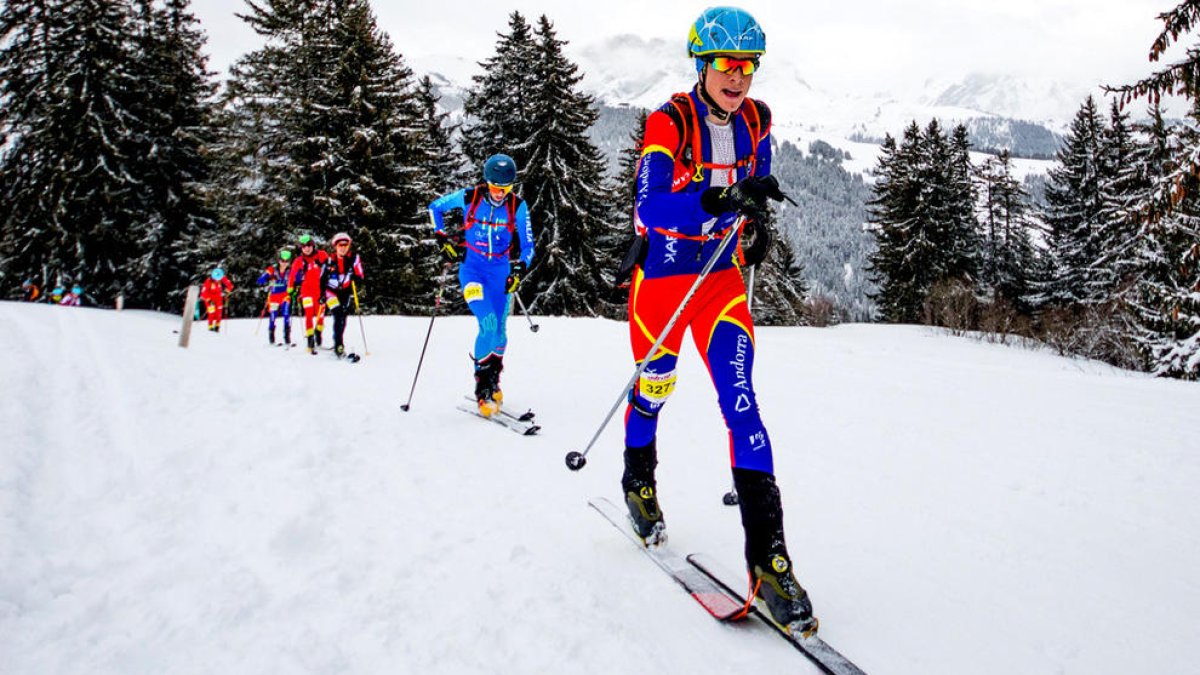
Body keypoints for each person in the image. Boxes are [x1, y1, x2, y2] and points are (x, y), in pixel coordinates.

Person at [619, 7, 815, 636]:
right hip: (664, 288)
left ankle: (770, 562)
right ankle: (638, 480)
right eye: (726, 64)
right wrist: (713, 199)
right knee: (655, 390)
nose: (737, 77)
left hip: (720, 284)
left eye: (747, 65)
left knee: (743, 402)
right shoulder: (669, 121)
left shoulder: (757, 120)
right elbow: (651, 203)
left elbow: (750, 186)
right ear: (701, 64)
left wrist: (754, 223)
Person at [428, 153, 535, 417]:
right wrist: (442, 239)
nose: (500, 194)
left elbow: (529, 246)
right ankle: (482, 388)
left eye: (506, 189)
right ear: (487, 182)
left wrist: (520, 269)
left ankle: (494, 380)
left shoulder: (517, 207)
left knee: (499, 331)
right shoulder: (470, 197)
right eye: (496, 188)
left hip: (500, 273)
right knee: (486, 322)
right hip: (472, 271)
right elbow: (434, 208)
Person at [321, 232, 365, 357]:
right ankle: (339, 345)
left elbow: (360, 274)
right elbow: (322, 279)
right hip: (331, 292)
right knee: (338, 313)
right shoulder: (329, 261)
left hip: (345, 292)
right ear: (335, 246)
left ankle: (337, 338)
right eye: (340, 245)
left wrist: (358, 277)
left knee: (343, 318)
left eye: (346, 245)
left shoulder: (353, 259)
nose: (343, 247)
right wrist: (321, 295)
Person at [287, 233, 329, 355]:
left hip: (321, 292)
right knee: (309, 314)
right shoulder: (299, 261)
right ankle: (310, 338)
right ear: (301, 248)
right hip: (306, 292)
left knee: (320, 315)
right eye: (304, 246)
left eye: (309, 245)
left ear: (313, 245)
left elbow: (331, 266)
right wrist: (290, 288)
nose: (307, 248)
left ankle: (318, 333)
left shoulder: (321, 255)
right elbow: (292, 275)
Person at [257, 249, 294, 346]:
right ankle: (271, 336)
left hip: (285, 295)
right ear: (279, 260)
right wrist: (267, 278)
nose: (284, 263)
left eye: (286, 261)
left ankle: (287, 337)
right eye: (282, 261)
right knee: (273, 316)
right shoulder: (272, 269)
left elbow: (298, 278)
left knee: (286, 314)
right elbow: (260, 279)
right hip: (273, 296)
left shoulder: (290, 270)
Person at [199, 268, 234, 332]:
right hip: (210, 299)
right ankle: (210, 327)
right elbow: (203, 293)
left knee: (219, 313)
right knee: (211, 313)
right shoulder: (208, 281)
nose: (218, 280)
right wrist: (209, 300)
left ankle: (217, 326)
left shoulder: (222, 277)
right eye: (217, 279)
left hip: (218, 298)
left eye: (220, 279)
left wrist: (226, 292)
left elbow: (230, 285)